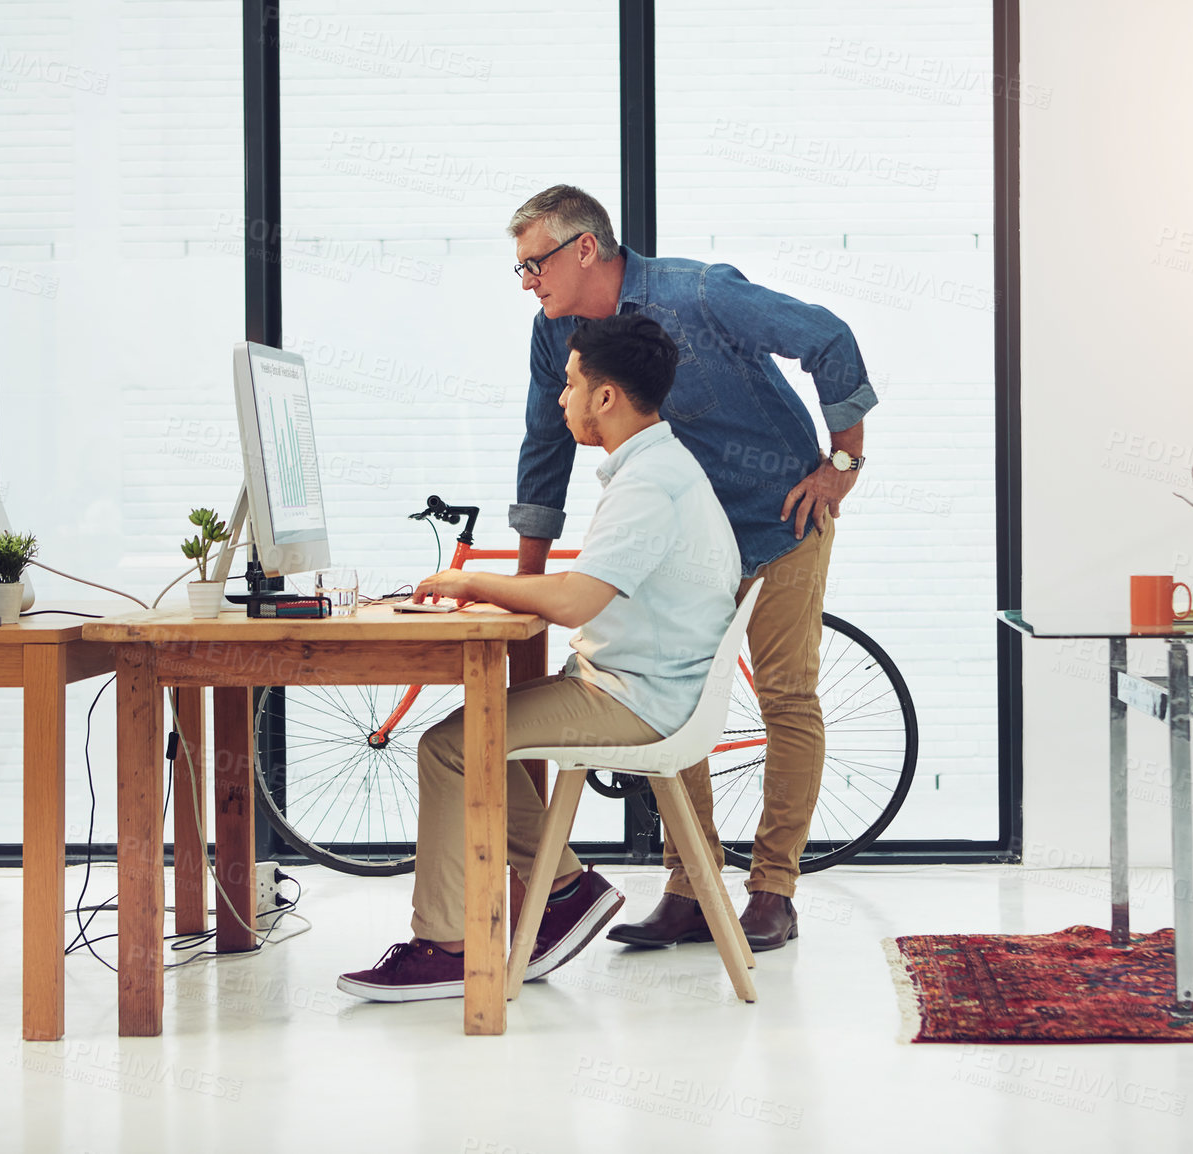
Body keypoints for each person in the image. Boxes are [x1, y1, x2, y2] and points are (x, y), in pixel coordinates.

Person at [506, 185, 876, 952]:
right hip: (677, 548)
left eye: (535, 263)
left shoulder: (699, 292)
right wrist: (526, 593)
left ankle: (773, 889)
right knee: (665, 696)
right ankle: (691, 886)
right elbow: (546, 444)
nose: (528, 282)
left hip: (777, 524)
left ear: (584, 249)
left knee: (785, 697)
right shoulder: (555, 337)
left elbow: (829, 338)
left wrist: (843, 462)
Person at [338, 313, 740, 1001]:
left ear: (605, 396)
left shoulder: (648, 485)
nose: (561, 399)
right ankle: (564, 891)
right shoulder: (656, 467)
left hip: (638, 700)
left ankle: (447, 946)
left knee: (450, 746)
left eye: (570, 384)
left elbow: (579, 600)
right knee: (478, 728)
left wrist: (470, 581)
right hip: (639, 684)